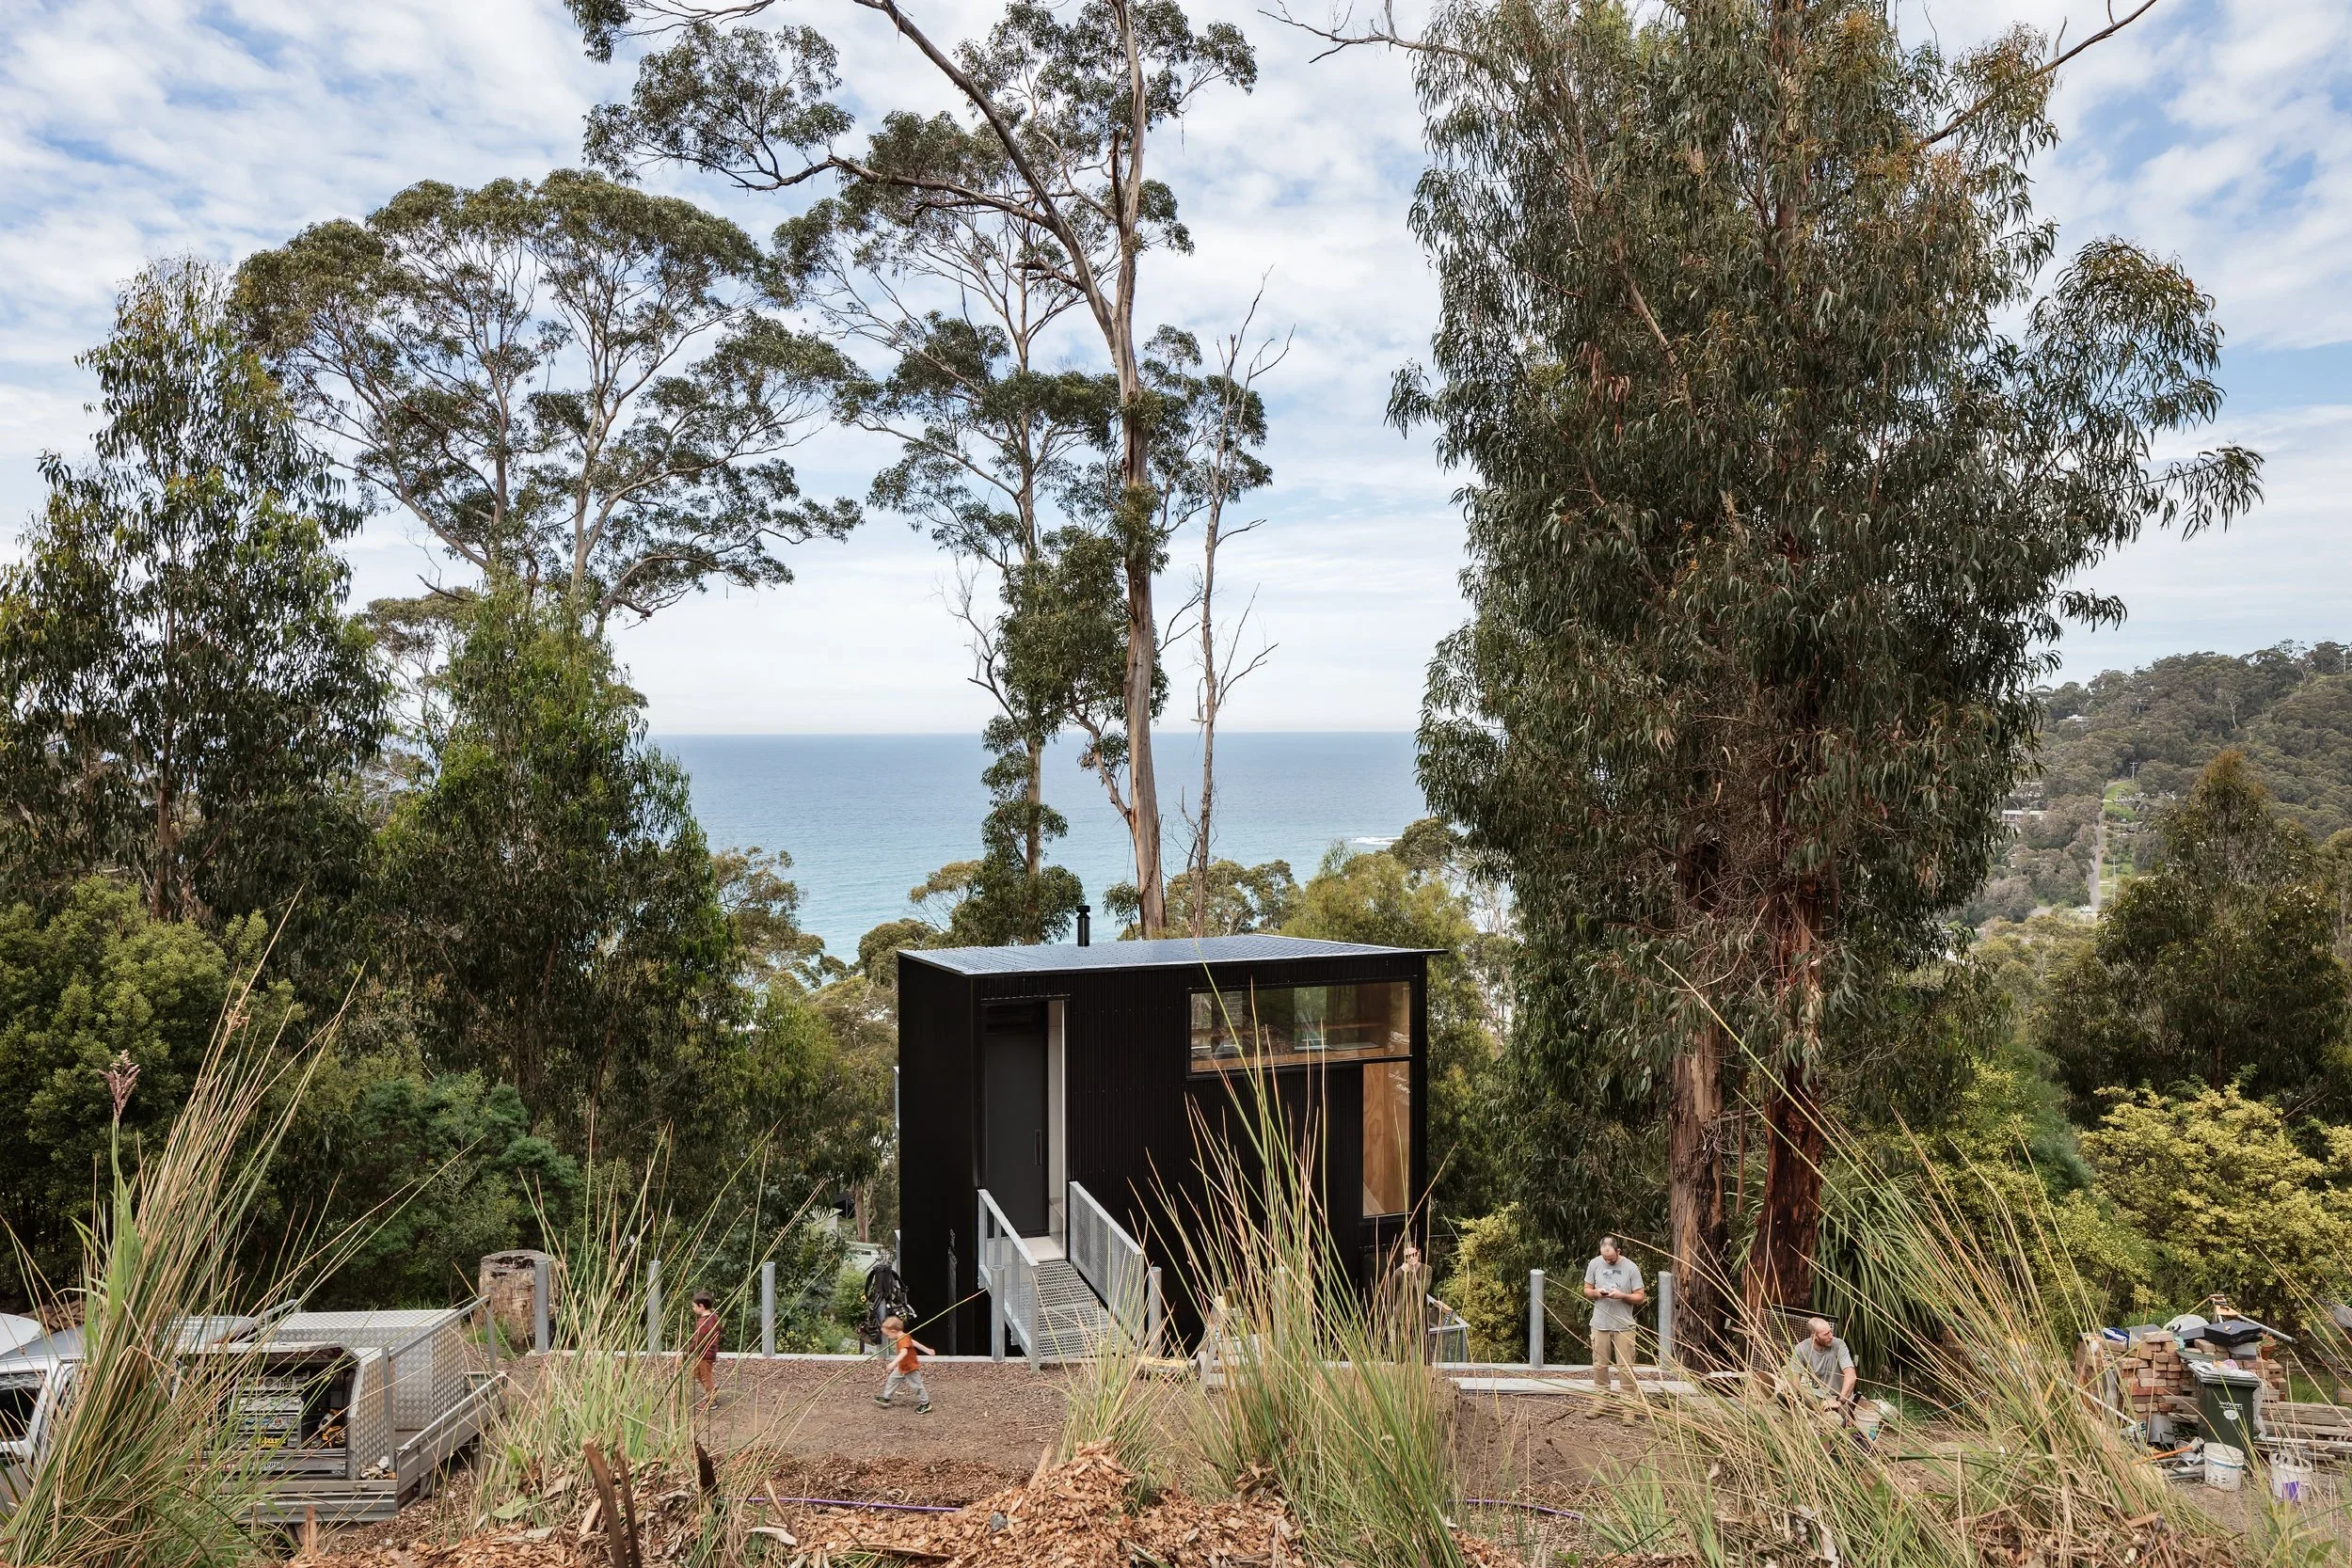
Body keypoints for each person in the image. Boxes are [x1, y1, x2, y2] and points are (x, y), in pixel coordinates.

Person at [1581, 1235, 1647, 1420]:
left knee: (1625, 1367)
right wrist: (1596, 1293)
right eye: (1604, 1258)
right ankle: (1601, 1401)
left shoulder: (1631, 1267)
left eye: (1611, 1258)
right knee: (1600, 1365)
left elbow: (1640, 1296)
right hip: (1600, 1323)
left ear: (1618, 1252)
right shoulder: (1594, 1264)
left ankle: (1628, 1407)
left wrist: (1622, 1295)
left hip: (1623, 1324)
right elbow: (1586, 1289)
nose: (1607, 1261)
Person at [1787, 1317, 1861, 1425]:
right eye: (1826, 1334)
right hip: (1818, 1396)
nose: (1831, 1336)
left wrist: (1839, 1401)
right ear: (1814, 1337)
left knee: (1833, 1421)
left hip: (1840, 1398)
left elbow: (1851, 1375)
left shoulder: (1839, 1345)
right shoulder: (1800, 1349)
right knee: (1797, 1395)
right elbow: (1795, 1380)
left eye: (1830, 1331)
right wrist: (1791, 1397)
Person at [875, 1314, 933, 1413]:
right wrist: (927, 1350)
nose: (888, 1337)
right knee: (892, 1379)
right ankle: (886, 1398)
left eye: (888, 1335)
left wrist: (893, 1363)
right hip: (902, 1366)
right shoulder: (905, 1336)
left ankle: (925, 1403)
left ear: (893, 1331)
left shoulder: (902, 1339)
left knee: (917, 1386)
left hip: (910, 1367)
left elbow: (904, 1352)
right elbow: (915, 1343)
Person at [688, 1290, 723, 1412]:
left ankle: (711, 1400)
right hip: (709, 1352)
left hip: (705, 1354)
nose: (693, 1309)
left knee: (705, 1376)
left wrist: (687, 1353)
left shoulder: (703, 1323)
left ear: (701, 1306)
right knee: (696, 1372)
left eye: (694, 1306)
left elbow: (697, 1341)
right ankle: (712, 1387)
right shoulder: (714, 1317)